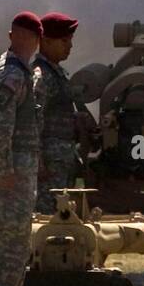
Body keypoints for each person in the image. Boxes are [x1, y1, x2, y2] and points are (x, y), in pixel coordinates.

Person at [0, 11, 42, 286]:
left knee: (7, 236)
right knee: (11, 238)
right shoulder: (13, 74)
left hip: (16, 166)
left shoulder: (17, 70)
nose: (29, 44)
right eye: (25, 37)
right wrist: (5, 169)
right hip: (11, 169)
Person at [33, 12, 96, 213]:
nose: (70, 46)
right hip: (50, 162)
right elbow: (32, 119)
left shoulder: (56, 73)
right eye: (64, 41)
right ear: (46, 41)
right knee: (47, 215)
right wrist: (37, 159)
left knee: (63, 215)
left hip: (62, 158)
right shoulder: (40, 76)